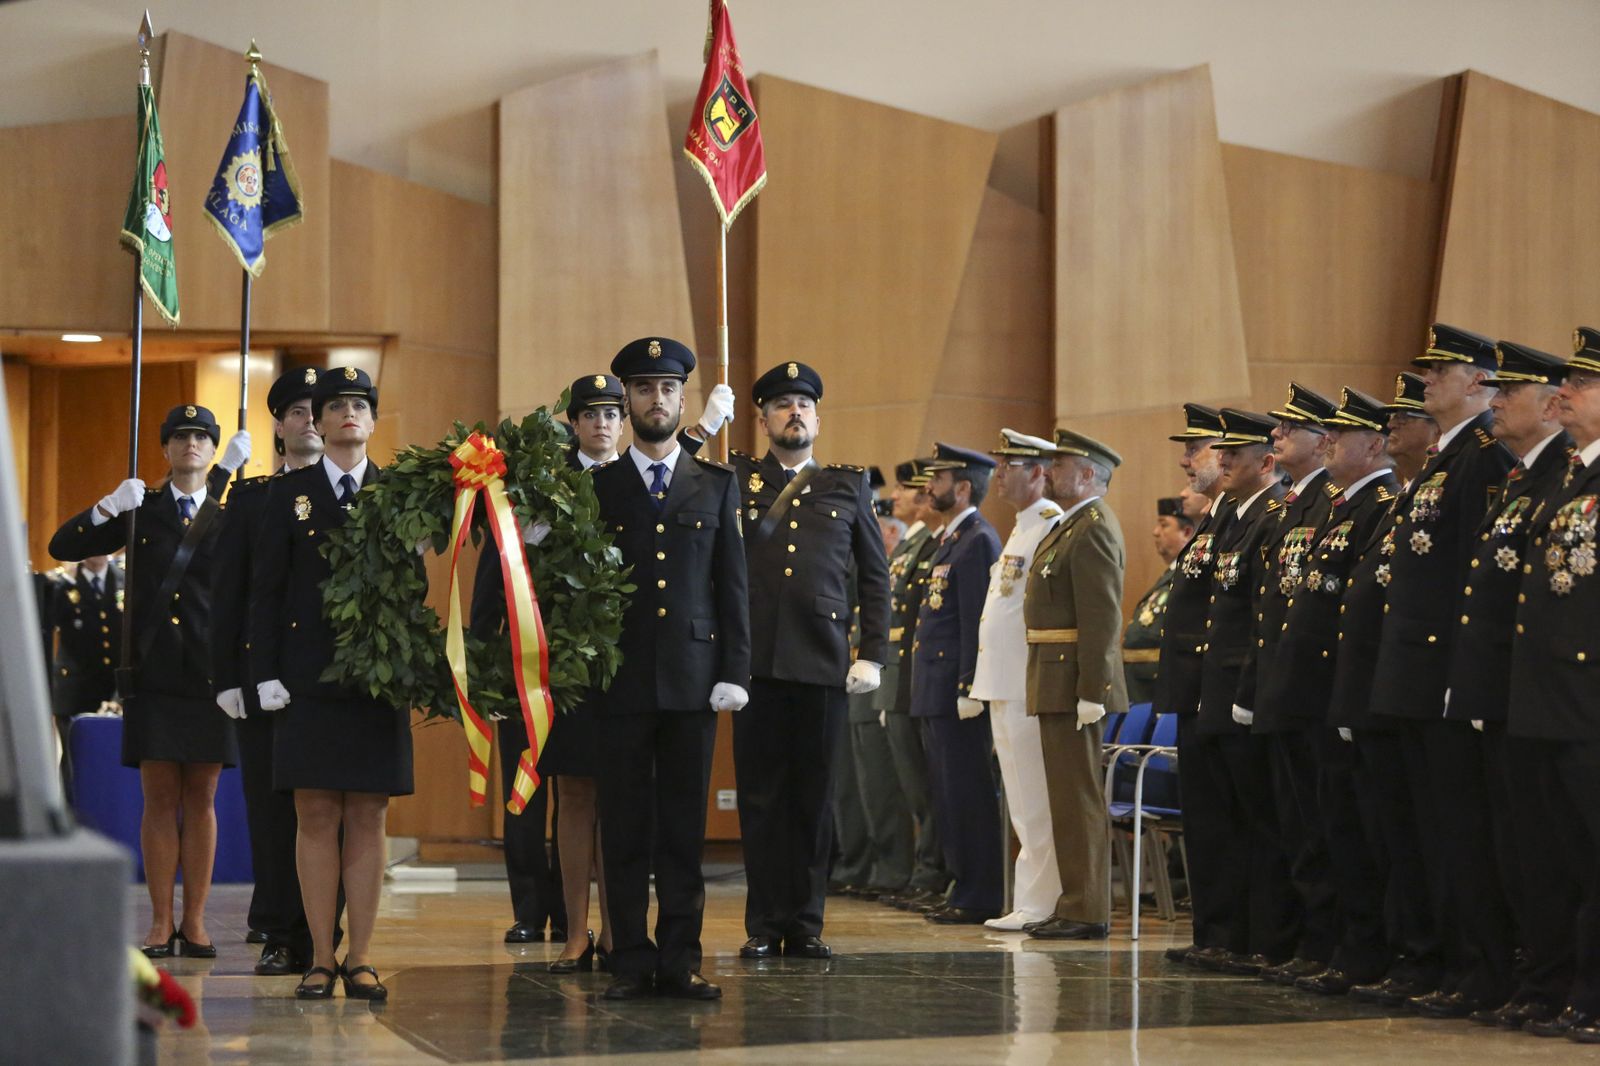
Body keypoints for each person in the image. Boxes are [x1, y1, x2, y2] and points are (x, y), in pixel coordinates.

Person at [49, 404, 251, 958]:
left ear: (214, 450)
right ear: (165, 448)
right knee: (159, 797)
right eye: (181, 436)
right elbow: (62, 547)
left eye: (202, 436)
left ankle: (196, 920)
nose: (192, 443)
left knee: (202, 797)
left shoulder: (230, 512)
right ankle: (161, 921)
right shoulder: (142, 509)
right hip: (154, 673)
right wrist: (107, 507)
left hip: (211, 676)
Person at [590, 337, 750, 1001]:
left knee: (684, 830)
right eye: (643, 388)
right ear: (627, 401)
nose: (656, 399)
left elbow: (731, 586)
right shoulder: (597, 488)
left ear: (685, 400)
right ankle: (630, 959)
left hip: (692, 679)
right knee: (624, 828)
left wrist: (735, 669)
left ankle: (681, 958)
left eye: (668, 388)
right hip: (620, 681)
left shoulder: (715, 483)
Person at [1365, 324, 1514, 1015]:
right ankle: (1442, 962)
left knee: (1460, 832)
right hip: (1414, 675)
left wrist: (1459, 675)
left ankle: (1478, 968)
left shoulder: (1481, 458)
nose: (1427, 381)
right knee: (1425, 831)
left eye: (1440, 371)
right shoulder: (1444, 460)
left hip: (1443, 676)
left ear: (1479, 381)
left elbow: (1470, 579)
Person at [251, 367, 413, 1000]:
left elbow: (414, 589)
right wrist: (263, 672)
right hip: (307, 677)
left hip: (376, 677)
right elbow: (266, 591)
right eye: (336, 405)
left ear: (372, 421)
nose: (349, 413)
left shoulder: (397, 493)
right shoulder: (287, 495)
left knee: (368, 812)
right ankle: (320, 957)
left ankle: (362, 957)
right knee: (315, 812)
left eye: (360, 404)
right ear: (317, 422)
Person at [726, 361, 889, 959]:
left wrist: (873, 653)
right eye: (782, 404)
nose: (794, 412)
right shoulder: (736, 479)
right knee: (761, 799)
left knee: (814, 799)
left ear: (818, 420)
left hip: (822, 663)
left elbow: (874, 577)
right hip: (756, 664)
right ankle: (764, 924)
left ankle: (805, 923)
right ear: (763, 420)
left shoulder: (848, 486)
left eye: (804, 405)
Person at [473, 373, 628, 969]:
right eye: (590, 414)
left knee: (606, 797)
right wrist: (487, 662)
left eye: (611, 413)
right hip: (538, 663)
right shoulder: (541, 487)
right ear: (574, 423)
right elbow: (497, 573)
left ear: (622, 423)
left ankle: (597, 923)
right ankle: (543, 915)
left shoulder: (636, 482)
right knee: (542, 790)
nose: (601, 423)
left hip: (613, 669)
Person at [1441, 341, 1573, 1025]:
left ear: (1549, 406)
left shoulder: (1558, 477)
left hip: (1557, 692)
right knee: (1519, 847)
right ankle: (1538, 980)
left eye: (1509, 393)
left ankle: (1561, 984)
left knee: (1554, 848)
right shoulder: (1528, 477)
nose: (1495, 403)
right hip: (1511, 689)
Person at [210, 366, 345, 976]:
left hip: (333, 677)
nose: (310, 420)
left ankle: (324, 932)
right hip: (264, 676)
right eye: (297, 411)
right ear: (280, 427)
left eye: (319, 409)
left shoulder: (356, 492)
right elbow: (231, 594)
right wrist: (226, 676)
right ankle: (278, 928)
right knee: (272, 812)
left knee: (331, 809)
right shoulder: (253, 498)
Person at [1265, 388, 1398, 996]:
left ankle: (1360, 948)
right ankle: (1334, 943)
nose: (1330, 442)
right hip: (1313, 691)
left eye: (1341, 436)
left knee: (1350, 829)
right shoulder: (1340, 506)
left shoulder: (1377, 504)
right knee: (1322, 827)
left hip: (1339, 693)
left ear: (1373, 446)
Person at [1326, 375, 1443, 1006]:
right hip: (1372, 692)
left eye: (1407, 417)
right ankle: (1394, 953)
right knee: (1377, 835)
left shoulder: (1397, 498)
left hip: (1403, 694)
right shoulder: (1402, 499)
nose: (1396, 424)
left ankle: (1417, 956)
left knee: (1405, 837)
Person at [1507, 326, 1600, 1042]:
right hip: (1550, 699)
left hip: (1590, 699)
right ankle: (1566, 986)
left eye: (1583, 383)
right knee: (1558, 854)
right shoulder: (1571, 476)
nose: (1563, 392)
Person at [1239, 383, 1339, 984]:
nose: (1276, 435)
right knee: (1295, 822)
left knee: (1320, 825)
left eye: (1289, 429)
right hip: (1281, 682)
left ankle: (1323, 942)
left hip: (1312, 688)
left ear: (1324, 442)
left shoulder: (1330, 502)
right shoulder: (1293, 506)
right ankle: (1307, 940)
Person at [1021, 428, 1127, 941]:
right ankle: (1074, 902)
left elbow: (1102, 617)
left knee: (1078, 797)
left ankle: (1087, 908)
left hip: (1074, 683)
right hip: (1055, 677)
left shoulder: (1094, 528)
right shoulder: (1071, 525)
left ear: (1087, 475)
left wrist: (1092, 691)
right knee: (1064, 798)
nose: (1049, 472)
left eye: (1060, 466)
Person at [1197, 409, 1292, 974]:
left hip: (1243, 688)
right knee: (1227, 820)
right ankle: (1232, 934)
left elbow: (1261, 614)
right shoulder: (1234, 516)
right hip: (1218, 686)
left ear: (1266, 461)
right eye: (1223, 452)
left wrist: (1249, 690)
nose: (1223, 460)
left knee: (1258, 820)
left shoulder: (1270, 516)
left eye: (1235, 453)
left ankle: (1266, 936)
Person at [968, 429, 1063, 932]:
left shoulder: (1049, 524)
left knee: (1035, 799)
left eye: (1010, 466)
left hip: (1027, 682)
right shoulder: (1022, 527)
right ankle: (1030, 898)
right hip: (1003, 681)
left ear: (1039, 473)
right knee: (1022, 801)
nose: (999, 474)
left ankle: (1041, 902)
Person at [1156, 403, 1235, 967]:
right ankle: (1215, 931)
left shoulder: (1249, 514)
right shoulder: (1217, 517)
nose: (1187, 461)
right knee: (1206, 823)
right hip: (1198, 690)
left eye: (1196, 449)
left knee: (1232, 821)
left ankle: (1235, 932)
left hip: (1224, 690)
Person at [912, 442, 1004, 924]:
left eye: (939, 478)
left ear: (963, 487)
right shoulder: (953, 539)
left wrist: (970, 685)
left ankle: (978, 892)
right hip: (935, 687)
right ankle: (960, 883)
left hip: (956, 690)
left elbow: (975, 620)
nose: (930, 486)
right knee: (947, 794)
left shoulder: (979, 539)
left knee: (967, 793)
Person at [874, 461, 954, 912]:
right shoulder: (912, 545)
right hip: (900, 676)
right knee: (914, 786)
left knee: (926, 786)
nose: (897, 496)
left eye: (906, 489)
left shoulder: (931, 543)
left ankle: (932, 871)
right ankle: (926, 870)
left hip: (914, 676)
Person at [1122, 498, 1193, 705]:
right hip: (1140, 686)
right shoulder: (1169, 577)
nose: (1155, 532)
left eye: (1164, 525)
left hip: (1157, 685)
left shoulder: (1187, 578)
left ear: (1186, 532)